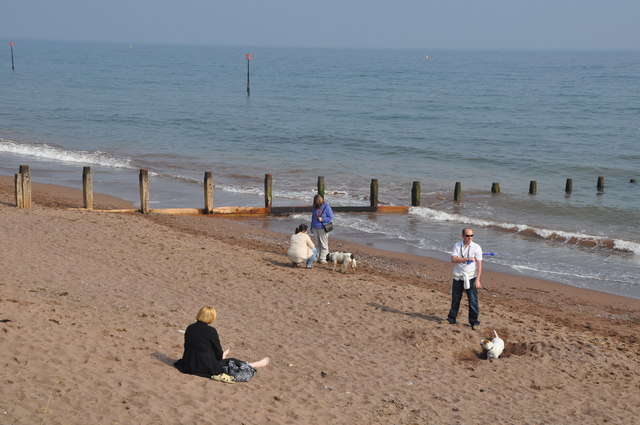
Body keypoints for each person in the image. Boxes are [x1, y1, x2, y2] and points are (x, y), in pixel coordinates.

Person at [174, 306, 269, 383]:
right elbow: (218, 353)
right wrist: (222, 355)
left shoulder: (190, 327)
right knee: (232, 362)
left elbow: (189, 346)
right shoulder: (211, 331)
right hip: (206, 366)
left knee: (225, 359)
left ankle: (250, 363)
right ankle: (254, 364)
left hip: (189, 363)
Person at [447, 228, 483, 330]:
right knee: (455, 299)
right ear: (462, 236)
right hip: (458, 276)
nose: (470, 238)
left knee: (473, 301)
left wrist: (478, 279)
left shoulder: (476, 247)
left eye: (472, 236)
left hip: (471, 277)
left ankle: (474, 322)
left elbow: (479, 265)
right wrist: (467, 258)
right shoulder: (457, 245)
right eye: (467, 236)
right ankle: (451, 319)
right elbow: (453, 259)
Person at [310, 194, 333, 263]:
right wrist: (311, 227)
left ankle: (323, 258)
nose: (316, 203)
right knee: (316, 244)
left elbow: (330, 217)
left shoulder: (327, 207)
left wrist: (322, 219)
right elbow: (313, 218)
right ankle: (316, 257)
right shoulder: (315, 208)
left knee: (323, 244)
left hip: (323, 228)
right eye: (315, 201)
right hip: (315, 227)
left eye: (317, 201)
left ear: (320, 201)